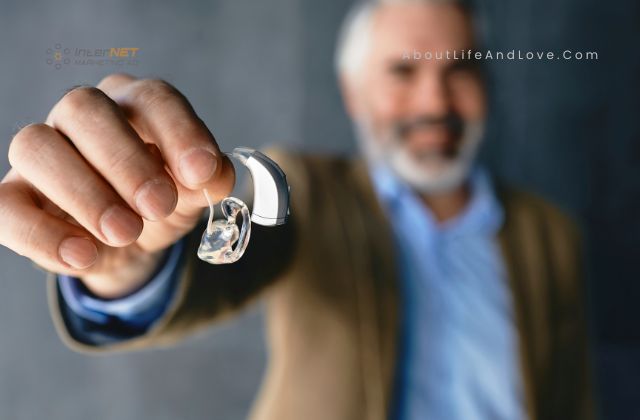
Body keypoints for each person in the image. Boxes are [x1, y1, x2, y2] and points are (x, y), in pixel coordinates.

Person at [0, 0, 594, 419]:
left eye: (459, 69)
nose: (434, 101)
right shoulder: (301, 188)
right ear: (353, 92)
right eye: (403, 71)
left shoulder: (552, 233)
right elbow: (226, 262)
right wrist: (127, 271)